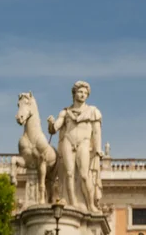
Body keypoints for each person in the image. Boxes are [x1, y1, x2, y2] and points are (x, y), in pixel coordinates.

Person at [48, 81, 103, 212]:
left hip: (84, 143)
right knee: (69, 173)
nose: (83, 95)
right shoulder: (66, 112)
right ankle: (72, 204)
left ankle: (90, 204)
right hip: (68, 141)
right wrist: (51, 123)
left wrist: (98, 149)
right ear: (74, 93)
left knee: (84, 174)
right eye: (80, 92)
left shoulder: (93, 111)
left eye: (85, 93)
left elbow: (96, 132)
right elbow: (55, 128)